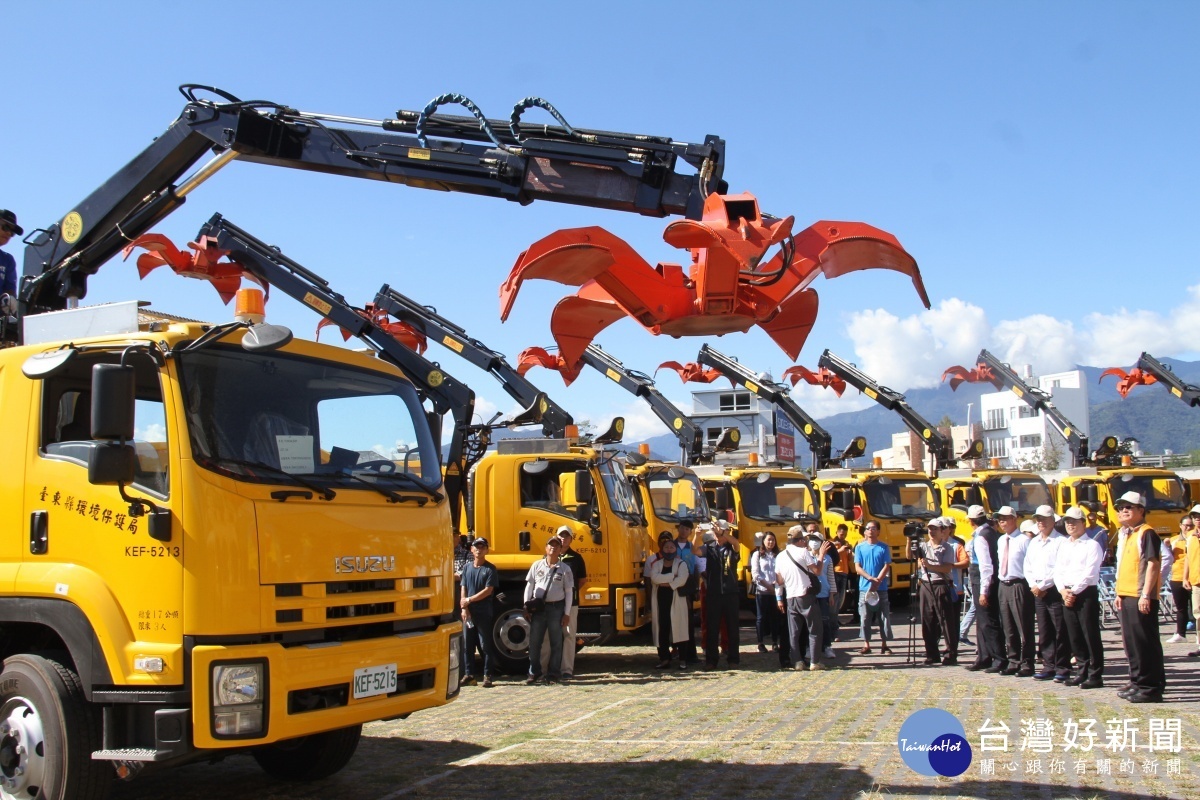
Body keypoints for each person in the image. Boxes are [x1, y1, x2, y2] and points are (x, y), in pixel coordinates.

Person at [1113, 491, 1165, 702]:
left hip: (1140, 595)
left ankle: (1150, 686)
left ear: (1140, 510)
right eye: (1120, 508)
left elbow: (1152, 564)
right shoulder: (1127, 534)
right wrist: (1119, 592)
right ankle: (1137, 680)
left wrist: (1145, 594)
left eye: (1128, 507)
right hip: (1127, 594)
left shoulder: (1147, 532)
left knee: (1145, 643)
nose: (1123, 511)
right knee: (1131, 643)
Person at [1055, 506, 1105, 689]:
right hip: (1067, 592)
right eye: (1067, 522)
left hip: (1085, 594)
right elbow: (1058, 570)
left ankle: (1095, 673)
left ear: (1083, 523)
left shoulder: (1092, 545)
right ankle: (1081, 670)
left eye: (1074, 522)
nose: (1070, 525)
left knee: (1089, 634)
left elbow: (1090, 573)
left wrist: (1073, 591)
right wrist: (1063, 590)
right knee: (1074, 635)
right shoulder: (1064, 545)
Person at [1025, 506, 1069, 682]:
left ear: (1053, 520)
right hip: (1037, 591)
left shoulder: (1061, 541)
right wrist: (1034, 585)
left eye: (1044, 519)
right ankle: (1048, 665)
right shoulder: (1034, 542)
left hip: (1054, 590)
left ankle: (1062, 666)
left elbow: (1060, 567)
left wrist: (1043, 585)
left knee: (1060, 629)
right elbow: (1027, 565)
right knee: (1044, 630)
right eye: (1038, 519)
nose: (1040, 522)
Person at [775, 525, 828, 670]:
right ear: (799, 540)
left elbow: (779, 581)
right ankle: (814, 662)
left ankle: (797, 661)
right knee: (815, 629)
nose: (806, 541)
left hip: (790, 597)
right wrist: (821, 555)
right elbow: (817, 571)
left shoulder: (780, 556)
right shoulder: (803, 552)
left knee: (794, 632)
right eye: (804, 539)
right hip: (805, 595)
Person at [523, 537, 574, 685]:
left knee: (556, 642)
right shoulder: (537, 565)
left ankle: (553, 673)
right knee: (534, 642)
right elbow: (529, 586)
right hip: (538, 609)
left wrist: (567, 613)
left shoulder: (565, 569)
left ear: (560, 550)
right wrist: (526, 606)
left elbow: (569, 592)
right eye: (551, 545)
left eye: (556, 546)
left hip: (556, 608)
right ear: (546, 548)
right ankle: (534, 672)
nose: (553, 548)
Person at [540, 526, 587, 680]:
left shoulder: (576, 558)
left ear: (571, 539)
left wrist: (568, 593)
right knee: (547, 635)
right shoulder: (547, 557)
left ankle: (566, 669)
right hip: (551, 604)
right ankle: (543, 669)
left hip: (570, 603)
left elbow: (582, 580)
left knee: (568, 635)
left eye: (567, 536)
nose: (563, 539)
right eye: (561, 536)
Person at [996, 505, 1035, 676]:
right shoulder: (1000, 540)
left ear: (1014, 519)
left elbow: (1031, 564)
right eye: (999, 519)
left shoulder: (1024, 540)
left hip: (1019, 583)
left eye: (1005, 518)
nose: (1001, 522)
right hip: (1003, 584)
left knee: (1023, 626)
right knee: (1008, 626)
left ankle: (1027, 662)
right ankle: (1013, 659)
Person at [965, 505, 1006, 673]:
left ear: (970, 521)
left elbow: (986, 566)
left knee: (988, 621)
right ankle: (984, 656)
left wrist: (984, 591)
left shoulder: (981, 537)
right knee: (983, 621)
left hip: (982, 580)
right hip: (985, 580)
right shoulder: (990, 532)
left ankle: (998, 658)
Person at [916, 518, 958, 666]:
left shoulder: (947, 547)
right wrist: (910, 540)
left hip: (941, 585)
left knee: (945, 621)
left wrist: (930, 566)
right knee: (928, 621)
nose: (932, 531)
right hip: (926, 585)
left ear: (942, 531)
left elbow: (947, 568)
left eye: (935, 529)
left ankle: (950, 653)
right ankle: (931, 654)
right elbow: (910, 556)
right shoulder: (923, 546)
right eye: (930, 529)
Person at [700, 520, 741, 669]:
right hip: (714, 593)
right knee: (712, 627)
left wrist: (723, 533)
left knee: (732, 627)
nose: (717, 533)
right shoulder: (709, 548)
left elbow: (737, 544)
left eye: (720, 531)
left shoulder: (732, 547)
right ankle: (711, 660)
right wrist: (697, 535)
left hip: (730, 592)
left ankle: (733, 658)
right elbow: (694, 551)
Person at [460, 537, 499, 687]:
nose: (479, 549)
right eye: (476, 546)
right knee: (467, 645)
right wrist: (464, 606)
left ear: (487, 550)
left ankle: (487, 675)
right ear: (471, 549)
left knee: (485, 645)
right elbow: (463, 586)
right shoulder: (467, 567)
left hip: (483, 612)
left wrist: (469, 600)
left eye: (482, 547)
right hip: (468, 613)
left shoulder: (490, 569)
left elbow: (488, 590)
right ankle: (469, 674)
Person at [649, 537, 691, 668]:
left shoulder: (681, 564)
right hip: (661, 601)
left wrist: (668, 583)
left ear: (675, 549)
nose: (669, 549)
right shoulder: (657, 564)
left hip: (677, 600)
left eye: (671, 547)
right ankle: (664, 658)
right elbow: (654, 578)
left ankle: (683, 659)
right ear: (662, 549)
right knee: (662, 629)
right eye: (666, 547)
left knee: (679, 628)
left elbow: (682, 579)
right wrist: (672, 577)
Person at [853, 521, 893, 656]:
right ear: (864, 531)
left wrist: (878, 580)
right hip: (865, 588)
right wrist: (869, 578)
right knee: (864, 616)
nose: (870, 530)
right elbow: (857, 567)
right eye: (868, 528)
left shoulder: (883, 547)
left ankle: (884, 644)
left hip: (881, 588)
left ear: (878, 531)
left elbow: (887, 565)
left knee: (884, 616)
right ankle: (866, 644)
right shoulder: (859, 547)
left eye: (873, 528)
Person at [673, 521, 701, 667]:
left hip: (689, 583)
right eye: (682, 528)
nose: (684, 531)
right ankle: (676, 650)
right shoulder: (671, 546)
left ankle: (691, 653)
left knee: (689, 621)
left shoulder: (693, 546)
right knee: (674, 619)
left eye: (687, 529)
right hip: (673, 582)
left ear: (690, 532)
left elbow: (695, 568)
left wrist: (696, 588)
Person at [750, 532, 782, 653]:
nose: (770, 542)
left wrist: (776, 586)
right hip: (762, 591)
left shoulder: (778, 555)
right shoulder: (757, 555)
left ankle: (775, 642)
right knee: (761, 617)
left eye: (773, 540)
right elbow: (756, 574)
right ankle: (760, 642)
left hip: (775, 590)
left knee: (775, 617)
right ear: (763, 541)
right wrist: (768, 586)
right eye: (768, 540)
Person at [1167, 515, 1195, 643]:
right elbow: (1166, 558)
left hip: (1194, 577)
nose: (1188, 528)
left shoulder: (1195, 539)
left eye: (1191, 525)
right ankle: (1180, 633)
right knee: (1181, 608)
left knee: (1196, 607)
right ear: (1180, 525)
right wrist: (1167, 547)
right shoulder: (1174, 540)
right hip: (1177, 576)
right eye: (1185, 525)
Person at [0, 210, 21, 317]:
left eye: (12, 232)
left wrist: (9, 300)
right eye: (6, 227)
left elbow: (10, 292)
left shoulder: (8, 260)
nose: (8, 233)